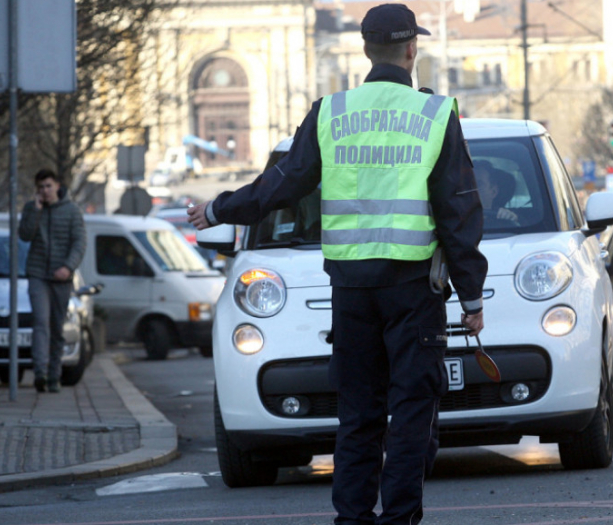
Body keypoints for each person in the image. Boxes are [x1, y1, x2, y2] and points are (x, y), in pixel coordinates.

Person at [187, 4, 487, 523]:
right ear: (412, 49)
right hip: (413, 289)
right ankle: (398, 519)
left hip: (350, 291)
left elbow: (282, 185)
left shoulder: (332, 112)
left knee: (358, 412)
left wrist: (217, 208)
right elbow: (457, 210)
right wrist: (473, 296)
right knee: (413, 411)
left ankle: (351, 519)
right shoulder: (436, 115)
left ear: (366, 50)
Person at [18, 169, 86, 393]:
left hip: (61, 278)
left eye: (48, 186)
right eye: (40, 187)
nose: (44, 191)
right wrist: (36, 211)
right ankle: (40, 373)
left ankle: (54, 376)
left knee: (57, 328)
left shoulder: (71, 211)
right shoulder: (31, 208)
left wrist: (68, 267)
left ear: (57, 185)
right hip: (38, 274)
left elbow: (79, 242)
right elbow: (25, 235)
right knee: (40, 322)